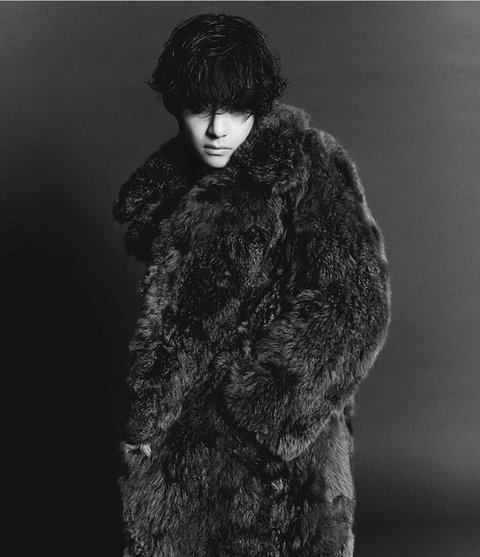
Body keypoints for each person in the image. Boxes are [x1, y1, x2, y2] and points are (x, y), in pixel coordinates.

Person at [112, 12, 391, 557]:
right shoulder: (175, 189)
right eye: (201, 109)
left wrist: (260, 414)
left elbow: (354, 305)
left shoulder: (306, 169)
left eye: (236, 109)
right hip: (179, 465)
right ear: (175, 105)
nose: (218, 129)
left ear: (258, 106)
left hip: (275, 472)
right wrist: (153, 421)